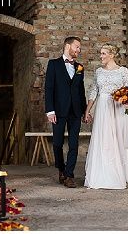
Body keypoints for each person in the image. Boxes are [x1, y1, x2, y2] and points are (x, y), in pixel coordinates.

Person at [83, 43, 128, 189]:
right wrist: (88, 110)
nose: (101, 56)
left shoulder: (123, 71)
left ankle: (118, 175)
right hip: (103, 109)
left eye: (104, 53)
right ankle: (101, 175)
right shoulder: (99, 71)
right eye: (101, 53)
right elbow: (94, 91)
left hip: (118, 108)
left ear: (112, 55)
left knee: (116, 139)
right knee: (103, 139)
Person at [44, 36, 87, 189]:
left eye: (80, 48)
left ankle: (69, 175)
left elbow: (81, 92)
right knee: (57, 144)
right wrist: (50, 111)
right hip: (58, 111)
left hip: (75, 111)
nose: (79, 50)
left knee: (74, 144)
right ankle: (61, 169)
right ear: (68, 46)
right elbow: (48, 89)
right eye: (77, 47)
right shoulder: (53, 64)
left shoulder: (80, 67)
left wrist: (85, 111)